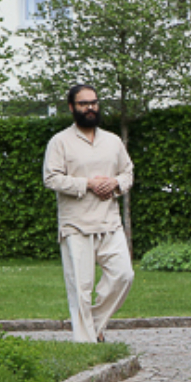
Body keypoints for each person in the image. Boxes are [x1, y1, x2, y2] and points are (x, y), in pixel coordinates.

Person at [42, 83, 135, 344]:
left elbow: (128, 173)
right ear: (72, 107)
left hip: (110, 222)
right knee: (81, 289)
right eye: (83, 104)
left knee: (124, 275)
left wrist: (115, 184)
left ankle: (91, 325)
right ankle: (86, 345)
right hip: (76, 225)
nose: (90, 108)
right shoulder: (60, 142)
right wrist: (87, 184)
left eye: (94, 103)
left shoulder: (113, 141)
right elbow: (51, 179)